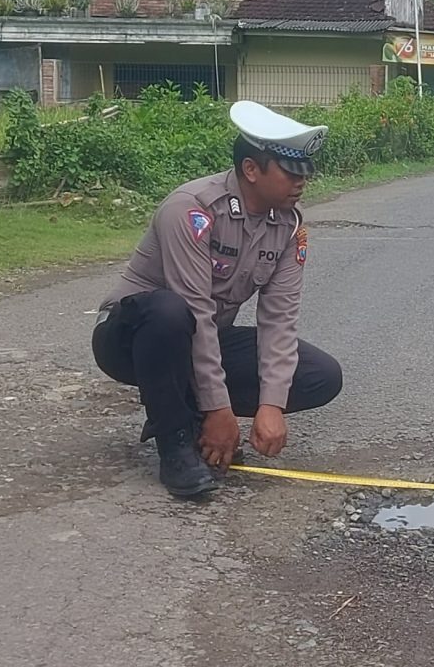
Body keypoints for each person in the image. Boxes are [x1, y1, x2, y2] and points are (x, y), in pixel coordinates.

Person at [93, 100, 344, 500]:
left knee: (320, 375)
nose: (302, 182)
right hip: (134, 339)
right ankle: (175, 444)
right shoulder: (191, 209)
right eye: (290, 171)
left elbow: (279, 320)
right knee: (169, 312)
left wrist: (271, 406)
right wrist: (220, 410)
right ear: (250, 169)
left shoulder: (289, 226)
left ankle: (186, 412)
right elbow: (194, 309)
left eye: (306, 172)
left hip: (200, 338)